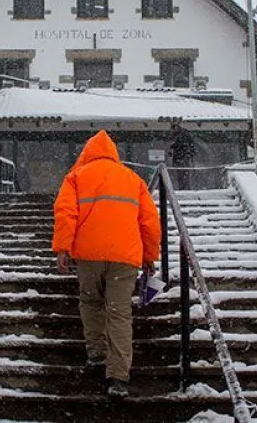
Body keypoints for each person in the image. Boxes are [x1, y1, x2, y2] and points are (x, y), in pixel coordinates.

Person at [52, 130, 161, 399]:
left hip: (88, 255)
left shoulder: (76, 177)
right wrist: (150, 256)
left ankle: (97, 354)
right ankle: (118, 377)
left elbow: (66, 212)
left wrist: (63, 248)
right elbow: (149, 222)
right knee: (119, 312)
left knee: (90, 303)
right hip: (125, 257)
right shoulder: (132, 179)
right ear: (114, 153)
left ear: (87, 153)